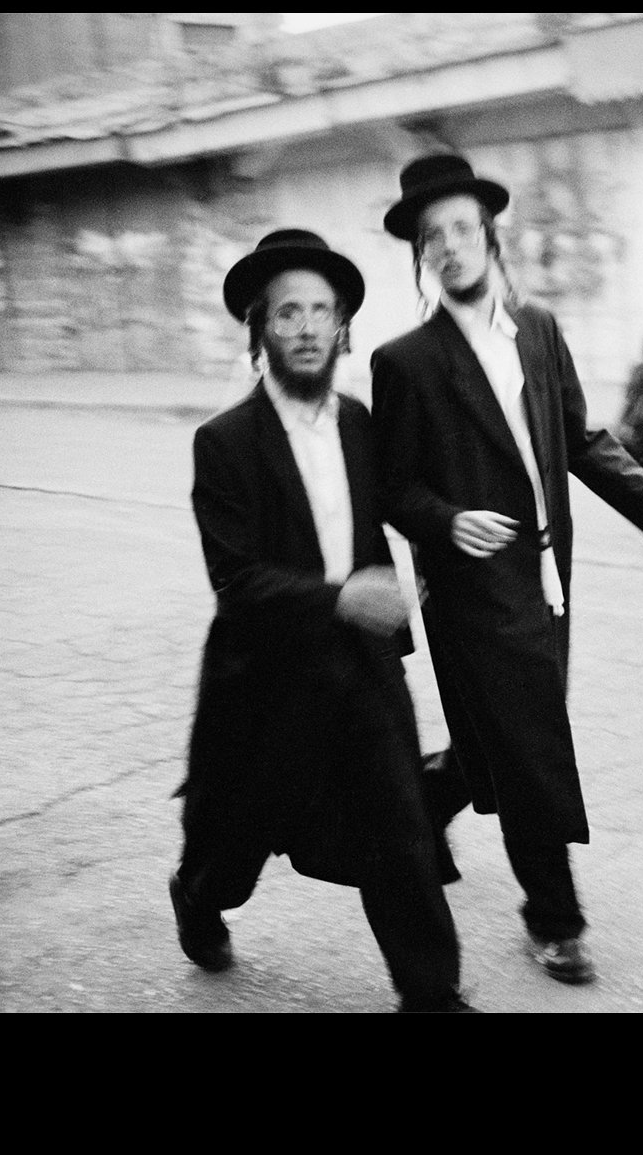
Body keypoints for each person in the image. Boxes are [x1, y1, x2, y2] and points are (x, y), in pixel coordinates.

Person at [371, 154, 643, 986]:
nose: (449, 247)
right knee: (529, 749)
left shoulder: (540, 330)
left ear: (488, 238)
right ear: (419, 254)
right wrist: (446, 521)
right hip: (475, 591)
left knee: (497, 746)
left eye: (461, 230)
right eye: (430, 237)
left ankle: (421, 805)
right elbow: (391, 485)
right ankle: (554, 920)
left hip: (550, 579)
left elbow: (581, 437)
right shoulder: (405, 360)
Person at [170, 228, 474, 1014]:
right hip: (261, 684)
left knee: (400, 832)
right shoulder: (225, 442)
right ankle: (197, 896)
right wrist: (339, 596)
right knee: (232, 840)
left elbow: (404, 502)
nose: (306, 328)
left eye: (321, 312)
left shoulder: (362, 424)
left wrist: (456, 532)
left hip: (362, 673)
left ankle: (430, 993)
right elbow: (235, 582)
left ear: (342, 328)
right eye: (287, 313)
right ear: (260, 330)